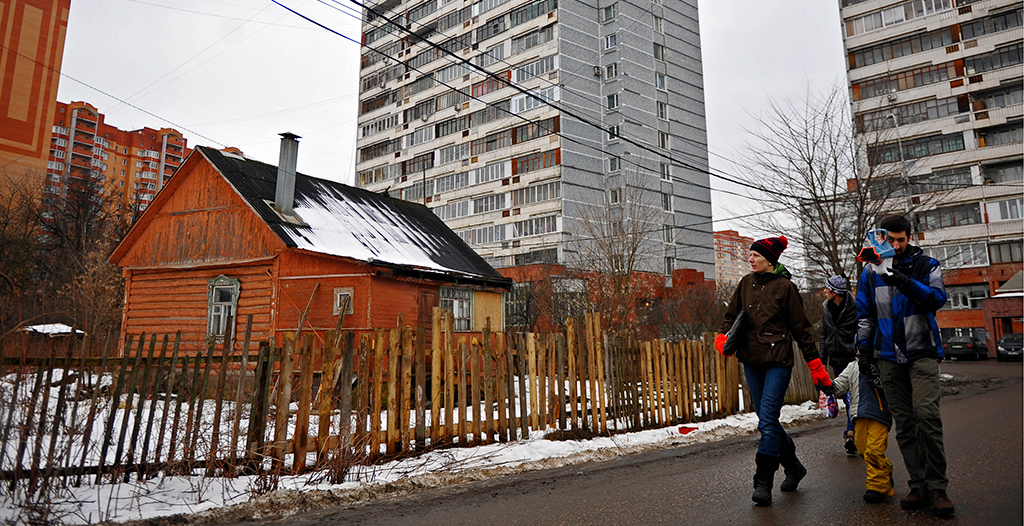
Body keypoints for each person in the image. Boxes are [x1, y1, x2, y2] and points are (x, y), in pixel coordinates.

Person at [714, 235, 833, 506]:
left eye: (755, 255)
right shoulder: (745, 283)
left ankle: (763, 482)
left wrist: (816, 367)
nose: (750, 258)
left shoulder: (786, 288)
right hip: (751, 361)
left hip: (778, 361)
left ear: (770, 259)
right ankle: (794, 467)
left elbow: (802, 332)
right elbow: (730, 315)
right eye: (751, 255)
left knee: (767, 420)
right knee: (767, 421)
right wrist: (723, 337)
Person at [855, 214, 954, 517]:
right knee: (906, 425)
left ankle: (938, 488)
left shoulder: (928, 265)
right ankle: (918, 485)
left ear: (910, 238)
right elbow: (865, 313)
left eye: (901, 239)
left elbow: (936, 300)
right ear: (881, 238)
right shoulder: (870, 272)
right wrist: (863, 351)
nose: (896, 245)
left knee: (926, 416)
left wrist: (903, 280)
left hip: (921, 352)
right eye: (890, 239)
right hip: (887, 356)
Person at [830, 358, 893, 503]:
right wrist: (828, 385)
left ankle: (876, 486)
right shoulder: (853, 366)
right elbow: (840, 384)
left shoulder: (882, 364)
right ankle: (885, 470)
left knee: (874, 450)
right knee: (862, 449)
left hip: (879, 414)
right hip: (859, 415)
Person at [820, 275, 859, 456]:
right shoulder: (826, 307)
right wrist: (821, 361)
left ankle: (850, 434)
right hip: (835, 360)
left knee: (852, 398)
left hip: (851, 360)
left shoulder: (855, 308)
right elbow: (824, 334)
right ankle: (854, 431)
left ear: (836, 292)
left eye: (827, 288)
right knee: (845, 397)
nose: (824, 291)